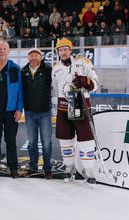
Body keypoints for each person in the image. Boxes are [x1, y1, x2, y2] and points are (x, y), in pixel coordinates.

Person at [52, 38, 99, 184]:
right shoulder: (56, 68)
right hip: (63, 106)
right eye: (60, 50)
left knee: (86, 139)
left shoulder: (83, 62)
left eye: (65, 49)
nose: (63, 52)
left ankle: (88, 169)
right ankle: (69, 166)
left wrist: (85, 81)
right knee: (65, 139)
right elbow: (55, 89)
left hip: (81, 104)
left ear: (70, 50)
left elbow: (96, 83)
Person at [0, 40, 23, 179]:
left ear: (9, 51)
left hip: (11, 111)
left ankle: (13, 167)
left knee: (11, 140)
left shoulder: (15, 68)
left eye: (4, 49)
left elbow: (20, 91)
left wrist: (19, 109)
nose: (2, 51)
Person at [21, 48, 53, 179]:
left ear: (41, 57)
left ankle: (47, 169)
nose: (33, 58)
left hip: (44, 111)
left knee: (46, 142)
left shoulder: (48, 69)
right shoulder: (23, 71)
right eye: (31, 55)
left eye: (36, 55)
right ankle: (33, 168)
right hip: (29, 112)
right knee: (32, 142)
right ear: (28, 57)